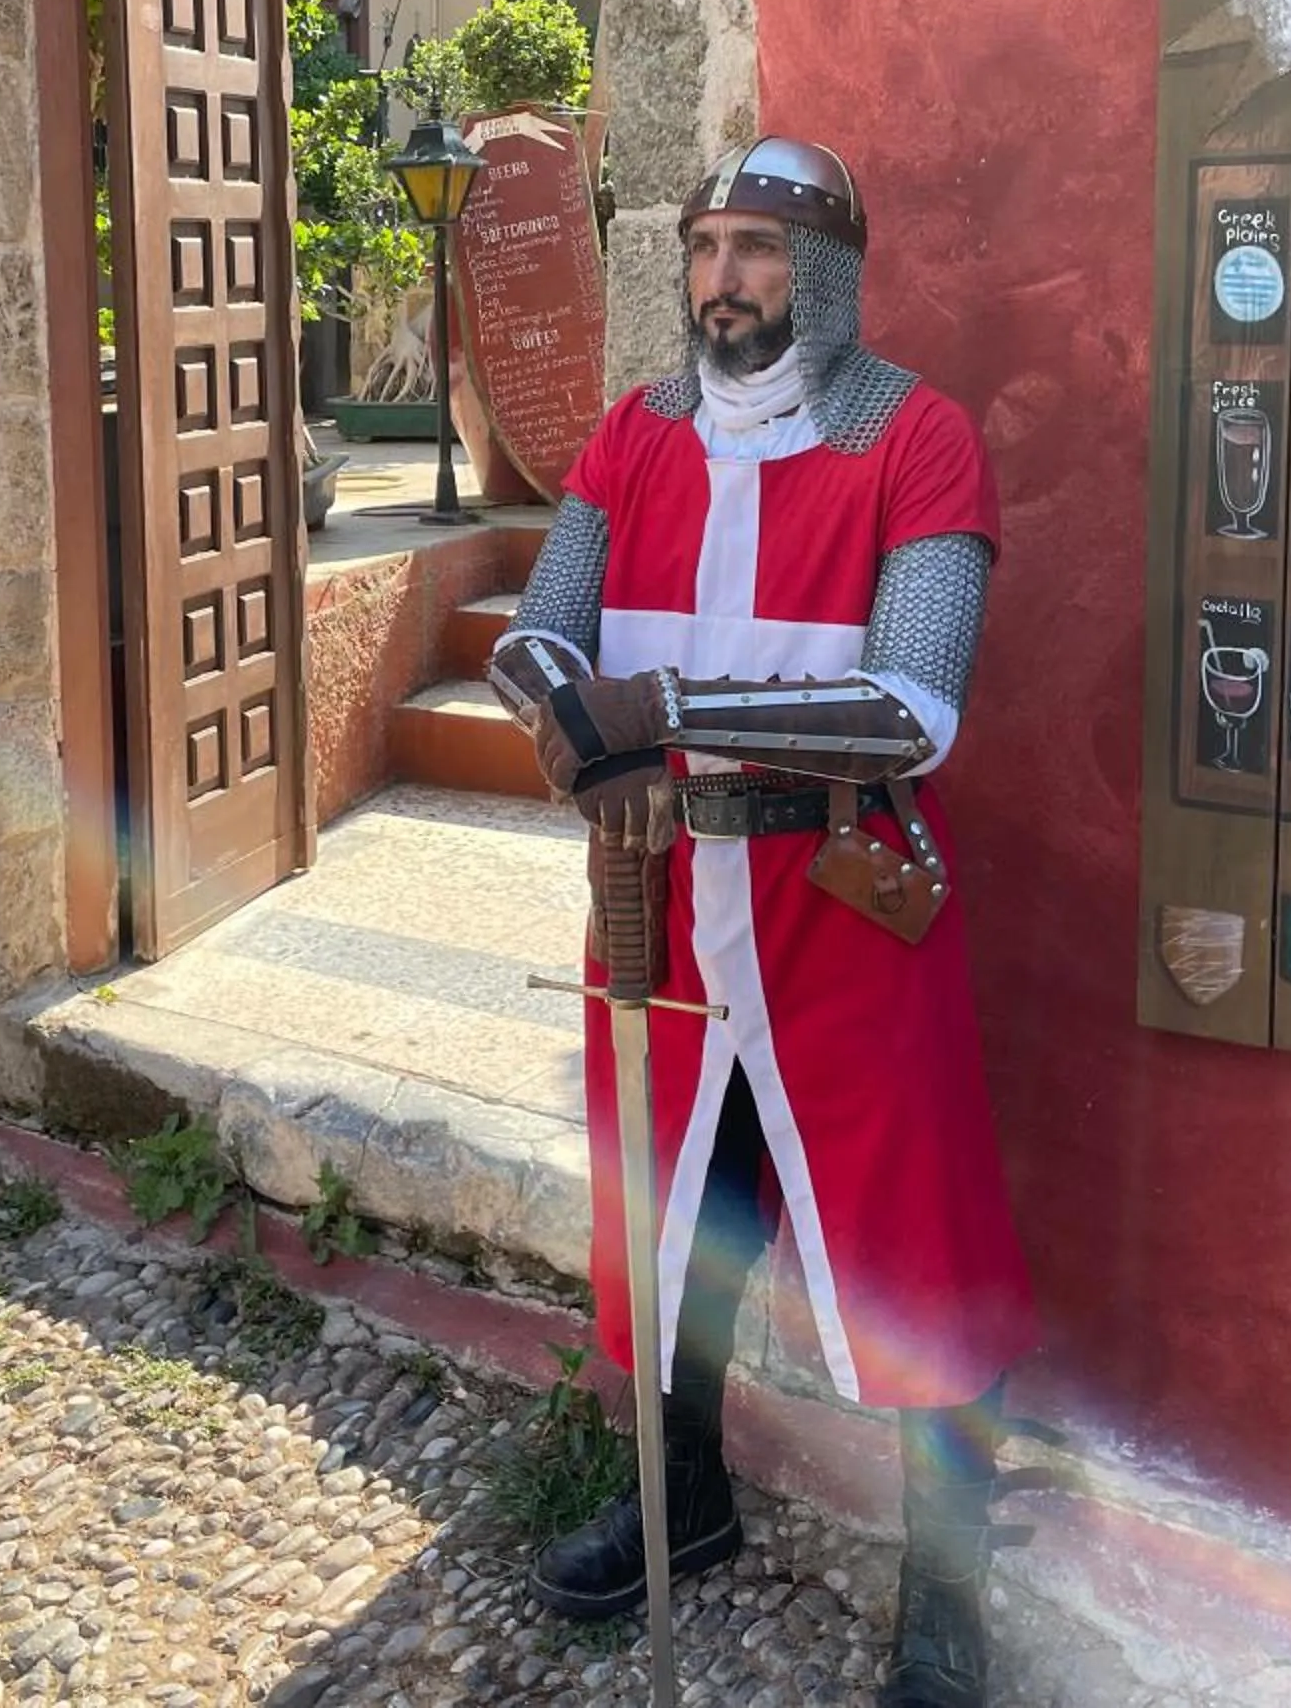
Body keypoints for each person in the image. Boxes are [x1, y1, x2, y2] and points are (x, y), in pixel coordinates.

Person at [487, 135, 1038, 1708]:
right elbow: (537, 636)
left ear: (832, 272)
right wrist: (574, 730)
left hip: (844, 898)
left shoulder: (916, 438)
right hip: (657, 892)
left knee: (917, 1249)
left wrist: (657, 710)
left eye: (761, 249)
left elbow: (915, 707)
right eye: (704, 245)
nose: (722, 279)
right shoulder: (636, 431)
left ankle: (947, 1589)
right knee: (673, 1222)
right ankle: (686, 1498)